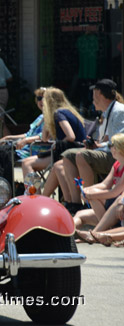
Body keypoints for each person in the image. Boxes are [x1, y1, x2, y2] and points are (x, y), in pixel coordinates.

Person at [61, 79, 124, 212]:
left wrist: (98, 146)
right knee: (67, 155)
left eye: (94, 94)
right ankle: (76, 202)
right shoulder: (108, 112)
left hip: (117, 156)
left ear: (100, 94)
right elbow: (108, 139)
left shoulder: (119, 111)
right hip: (108, 152)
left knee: (82, 155)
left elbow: (119, 142)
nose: (92, 99)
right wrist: (96, 144)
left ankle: (89, 203)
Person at [0, 87, 46, 186]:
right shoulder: (40, 117)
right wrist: (9, 137)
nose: (41, 101)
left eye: (44, 98)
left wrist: (26, 140)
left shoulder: (52, 117)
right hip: (24, 148)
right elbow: (27, 134)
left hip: (34, 150)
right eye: (39, 98)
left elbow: (45, 137)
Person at [21, 87, 86, 180]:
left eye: (44, 99)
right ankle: (36, 192)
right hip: (70, 151)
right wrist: (47, 116)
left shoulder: (59, 114)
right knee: (27, 162)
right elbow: (44, 138)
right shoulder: (66, 112)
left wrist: (58, 144)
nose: (42, 102)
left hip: (71, 152)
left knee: (27, 164)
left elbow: (71, 136)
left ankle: (34, 193)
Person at [71, 133, 124, 234]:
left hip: (119, 206)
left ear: (120, 148)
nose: (110, 148)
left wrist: (91, 195)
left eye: (111, 146)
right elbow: (104, 185)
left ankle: (101, 232)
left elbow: (115, 192)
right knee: (80, 214)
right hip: (111, 206)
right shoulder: (117, 164)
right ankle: (68, 233)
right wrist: (88, 190)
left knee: (93, 197)